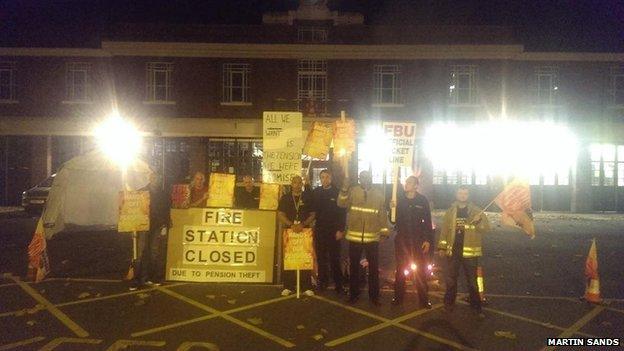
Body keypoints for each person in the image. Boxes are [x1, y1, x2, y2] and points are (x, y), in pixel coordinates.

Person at [437, 186, 490, 317]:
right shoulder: (450, 212)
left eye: (465, 193)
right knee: (450, 280)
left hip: (469, 254)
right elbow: (444, 231)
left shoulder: (477, 212)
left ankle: (477, 308)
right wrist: (442, 247)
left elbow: (486, 229)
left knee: (472, 282)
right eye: (460, 193)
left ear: (468, 195)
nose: (462, 195)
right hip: (453, 251)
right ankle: (448, 305)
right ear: (456, 194)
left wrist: (479, 222)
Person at [338, 170, 388, 305]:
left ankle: (374, 297)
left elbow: (382, 215)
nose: (364, 179)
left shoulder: (379, 194)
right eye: (362, 178)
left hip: (372, 238)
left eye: (367, 177)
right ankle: (353, 295)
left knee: (373, 269)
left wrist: (384, 232)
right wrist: (344, 188)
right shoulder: (353, 191)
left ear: (371, 178)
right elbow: (341, 204)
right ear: (359, 179)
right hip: (355, 237)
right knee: (354, 268)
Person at [391, 176, 433, 308]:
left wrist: (427, 240)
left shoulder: (422, 200)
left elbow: (427, 222)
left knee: (420, 270)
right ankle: (398, 298)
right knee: (400, 270)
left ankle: (424, 300)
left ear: (416, 186)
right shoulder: (399, 200)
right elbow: (393, 221)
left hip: (418, 240)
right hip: (402, 240)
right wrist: (391, 209)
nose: (406, 184)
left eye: (409, 182)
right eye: (406, 182)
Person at [130, 172, 171, 290]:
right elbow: (134, 209)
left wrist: (165, 223)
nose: (156, 180)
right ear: (150, 178)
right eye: (154, 177)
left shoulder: (162, 193)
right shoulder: (142, 192)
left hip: (156, 226)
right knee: (140, 252)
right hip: (143, 226)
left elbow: (166, 209)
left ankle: (150, 278)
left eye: (158, 178)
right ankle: (137, 279)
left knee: (154, 253)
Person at [277, 175, 315, 296]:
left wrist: (303, 224)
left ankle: (307, 286)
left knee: (305, 258)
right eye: (295, 182)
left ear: (302, 184)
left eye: (299, 183)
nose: (297, 185)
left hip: (304, 231)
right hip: (290, 232)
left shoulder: (308, 197)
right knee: (289, 258)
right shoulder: (285, 198)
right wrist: (291, 225)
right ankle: (288, 286)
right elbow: (280, 214)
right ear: (291, 184)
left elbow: (313, 214)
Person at [311, 169, 346, 294]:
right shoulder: (316, 192)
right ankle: (323, 282)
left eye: (327, 177)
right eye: (322, 177)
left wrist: (340, 230)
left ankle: (339, 284)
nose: (325, 179)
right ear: (320, 179)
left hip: (334, 231)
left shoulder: (337, 192)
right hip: (320, 230)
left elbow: (342, 213)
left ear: (331, 178)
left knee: (335, 259)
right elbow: (312, 210)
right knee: (321, 258)